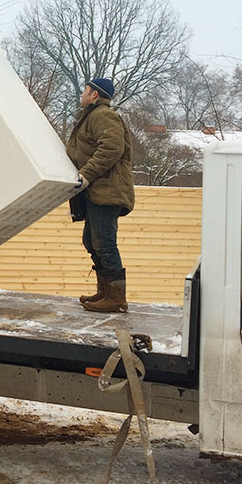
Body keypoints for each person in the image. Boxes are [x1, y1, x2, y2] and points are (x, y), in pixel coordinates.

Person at [65, 77, 135, 313]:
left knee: (104, 244)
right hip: (98, 190)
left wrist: (86, 174)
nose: (82, 95)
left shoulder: (103, 115)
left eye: (85, 91)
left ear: (94, 94)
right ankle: (105, 292)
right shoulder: (90, 117)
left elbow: (112, 148)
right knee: (91, 241)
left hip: (107, 190)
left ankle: (116, 299)